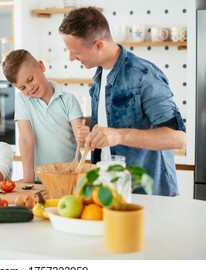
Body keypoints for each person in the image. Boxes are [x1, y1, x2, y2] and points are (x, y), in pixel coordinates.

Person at [59, 7, 186, 196]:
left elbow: (177, 138)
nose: (70, 57)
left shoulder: (143, 75)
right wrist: (88, 125)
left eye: (75, 51)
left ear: (99, 45)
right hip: (109, 190)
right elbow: (112, 119)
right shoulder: (101, 74)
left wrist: (119, 135)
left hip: (146, 192)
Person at [2, 49, 84, 183]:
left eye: (30, 80)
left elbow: (81, 139)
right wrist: (28, 179)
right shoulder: (22, 100)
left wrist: (83, 135)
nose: (29, 89)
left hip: (72, 176)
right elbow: (26, 138)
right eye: (22, 87)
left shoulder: (68, 100)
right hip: (40, 178)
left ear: (41, 66)